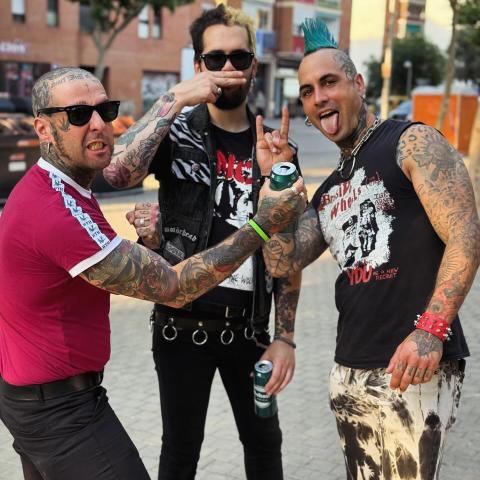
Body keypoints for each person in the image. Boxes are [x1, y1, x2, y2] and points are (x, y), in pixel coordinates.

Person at [0, 67, 306, 480]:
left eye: (105, 110)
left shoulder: (66, 189)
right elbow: (173, 287)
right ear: (43, 128)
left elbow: (92, 271)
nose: (98, 124)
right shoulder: (55, 208)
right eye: (78, 114)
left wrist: (150, 243)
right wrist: (263, 223)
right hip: (59, 412)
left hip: (40, 398)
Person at [262, 18, 480, 480]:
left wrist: (431, 330)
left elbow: (466, 235)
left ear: (358, 85)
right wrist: (278, 184)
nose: (319, 97)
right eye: (307, 91)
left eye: (329, 82)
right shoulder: (329, 189)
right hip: (349, 369)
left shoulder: (411, 141)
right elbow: (282, 261)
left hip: (413, 365)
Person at [104, 6, 302, 480]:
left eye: (239, 57)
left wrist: (285, 337)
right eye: (215, 58)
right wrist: (173, 98)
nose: (228, 67)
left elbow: (288, 247)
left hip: (251, 332)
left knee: (265, 446)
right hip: (180, 328)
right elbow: (117, 172)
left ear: (253, 64)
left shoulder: (275, 146)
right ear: (199, 65)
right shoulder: (176, 134)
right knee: (180, 452)